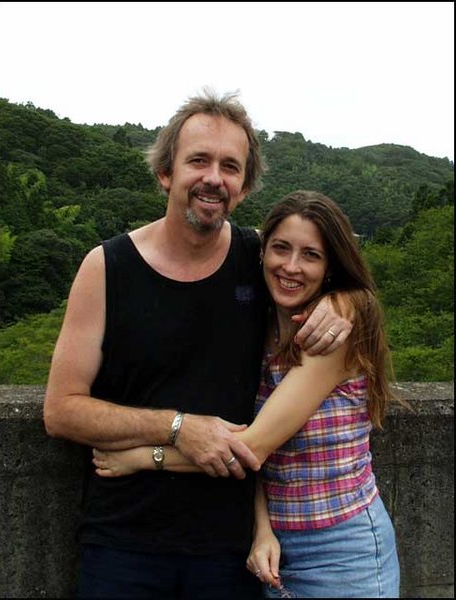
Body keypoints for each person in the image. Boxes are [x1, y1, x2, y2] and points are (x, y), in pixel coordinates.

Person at [43, 91, 352, 600]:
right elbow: (61, 411)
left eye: (230, 167)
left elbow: (334, 274)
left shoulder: (259, 259)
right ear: (166, 172)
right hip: (122, 543)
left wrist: (346, 303)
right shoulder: (107, 268)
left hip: (230, 551)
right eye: (198, 161)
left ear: (244, 187)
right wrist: (179, 428)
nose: (214, 178)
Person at [93, 190, 402, 599]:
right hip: (272, 552)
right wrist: (263, 530)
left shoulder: (330, 335)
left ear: (331, 266)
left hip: (342, 548)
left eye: (311, 255)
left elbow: (251, 447)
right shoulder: (258, 325)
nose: (291, 266)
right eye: (281, 248)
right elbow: (257, 449)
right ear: (262, 252)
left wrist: (143, 457)